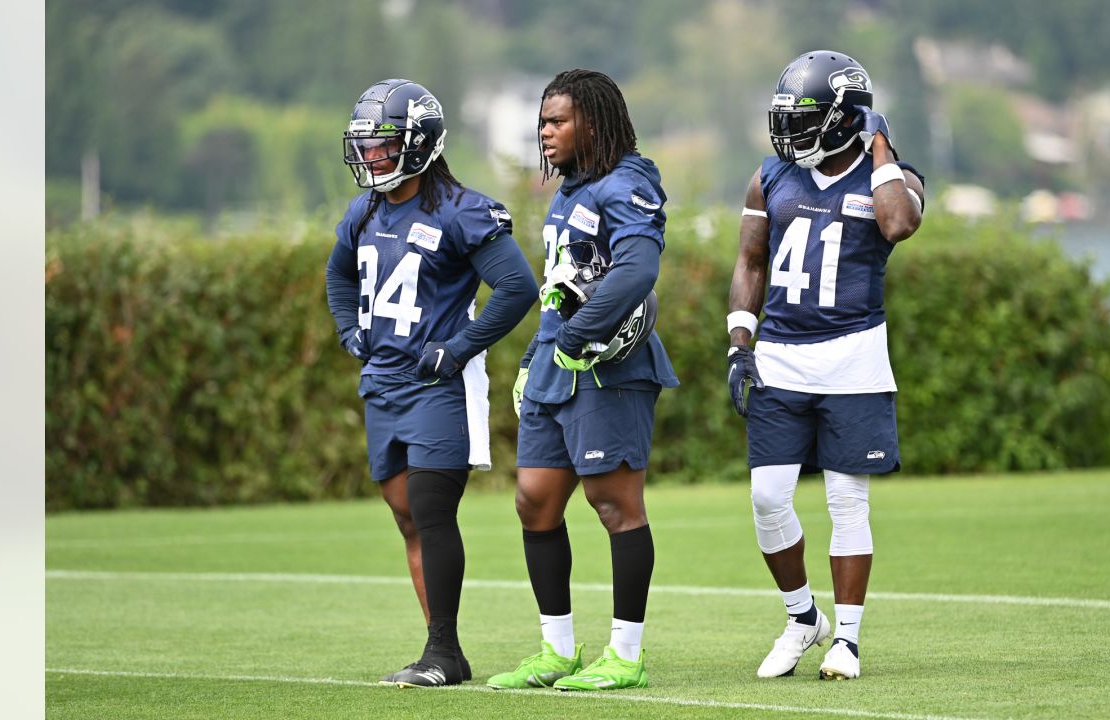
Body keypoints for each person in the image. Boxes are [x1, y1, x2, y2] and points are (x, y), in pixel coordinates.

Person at [325, 78, 538, 688]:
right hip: (383, 384)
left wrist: (461, 346)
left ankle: (441, 652)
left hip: (437, 384)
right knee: (405, 515)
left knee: (430, 508)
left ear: (419, 144)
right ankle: (444, 650)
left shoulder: (461, 210)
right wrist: (348, 331)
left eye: (384, 145)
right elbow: (338, 275)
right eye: (365, 146)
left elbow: (518, 287)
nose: (371, 157)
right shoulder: (363, 210)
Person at [726, 50, 926, 681]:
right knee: (766, 496)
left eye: (804, 116)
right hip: (780, 357)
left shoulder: (891, 177)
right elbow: (752, 262)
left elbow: (897, 224)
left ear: (845, 118)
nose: (788, 131)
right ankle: (801, 617)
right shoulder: (771, 176)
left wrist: (881, 147)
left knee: (847, 500)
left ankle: (848, 639)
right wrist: (739, 341)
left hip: (853, 358)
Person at [485, 69, 678, 692]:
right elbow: (561, 286)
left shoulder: (628, 181)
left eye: (557, 121)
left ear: (591, 123)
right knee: (534, 501)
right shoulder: (569, 189)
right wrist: (534, 357)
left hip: (607, 367)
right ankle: (556, 650)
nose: (545, 133)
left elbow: (636, 270)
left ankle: (625, 655)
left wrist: (573, 337)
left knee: (613, 503)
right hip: (553, 368)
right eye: (542, 122)